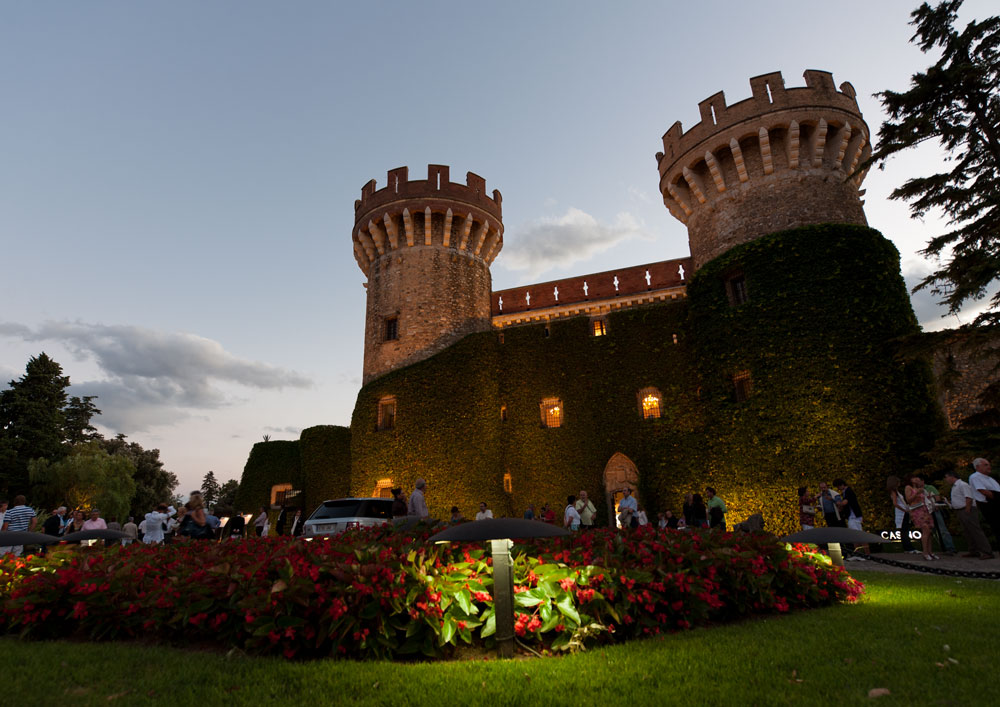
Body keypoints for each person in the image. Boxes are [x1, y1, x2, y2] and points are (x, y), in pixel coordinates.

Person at [943, 470, 993, 559]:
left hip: (966, 510)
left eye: (947, 477)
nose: (946, 479)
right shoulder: (954, 487)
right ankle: (973, 550)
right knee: (967, 531)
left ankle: (987, 551)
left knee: (975, 530)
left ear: (952, 476)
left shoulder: (962, 485)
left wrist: (967, 510)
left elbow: (968, 497)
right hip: (960, 510)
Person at [905, 474, 938, 561]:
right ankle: (925, 552)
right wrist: (917, 494)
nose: (916, 479)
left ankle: (930, 551)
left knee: (929, 531)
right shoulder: (908, 488)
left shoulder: (921, 489)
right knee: (925, 529)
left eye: (917, 478)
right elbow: (908, 500)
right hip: (916, 511)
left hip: (925, 510)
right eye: (914, 478)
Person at [834, 478, 869, 559]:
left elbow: (845, 502)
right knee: (855, 536)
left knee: (859, 535)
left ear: (841, 485)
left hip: (854, 517)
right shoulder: (846, 491)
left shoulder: (848, 491)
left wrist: (838, 503)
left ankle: (866, 554)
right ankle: (858, 554)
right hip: (853, 516)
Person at [970, 458, 1000, 546]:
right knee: (997, 526)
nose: (989, 467)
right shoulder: (975, 477)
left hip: (996, 501)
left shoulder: (990, 478)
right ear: (978, 467)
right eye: (986, 465)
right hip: (989, 504)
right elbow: (983, 491)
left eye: (989, 464)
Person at [922, 476, 956, 554]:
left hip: (934, 509)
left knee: (942, 528)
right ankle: (938, 548)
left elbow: (937, 497)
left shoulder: (930, 487)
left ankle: (950, 547)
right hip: (925, 511)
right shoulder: (916, 490)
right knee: (930, 531)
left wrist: (936, 504)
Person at [887, 476, 917, 553]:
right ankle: (908, 547)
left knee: (905, 530)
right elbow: (895, 503)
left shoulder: (896, 491)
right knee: (904, 530)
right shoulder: (893, 492)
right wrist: (904, 510)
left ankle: (908, 547)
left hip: (904, 511)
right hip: (902, 512)